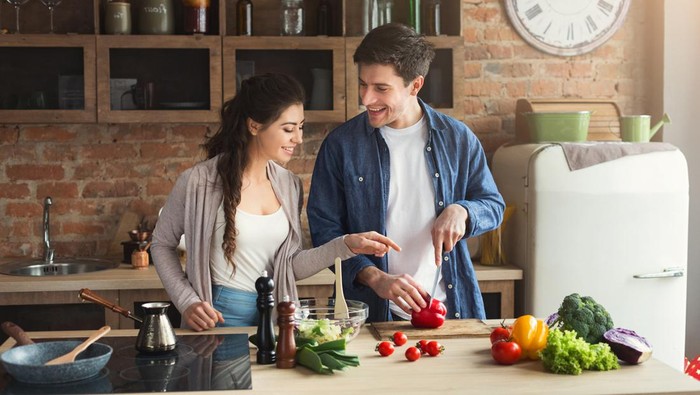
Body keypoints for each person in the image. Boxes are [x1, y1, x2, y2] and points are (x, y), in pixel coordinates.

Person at [151, 73, 400, 331]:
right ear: (255, 126)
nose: (298, 138)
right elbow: (161, 244)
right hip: (220, 317)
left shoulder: (289, 185)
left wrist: (346, 245)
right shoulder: (198, 182)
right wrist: (186, 301)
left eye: (300, 127)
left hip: (277, 316)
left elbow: (290, 266)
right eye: (288, 129)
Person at [307, 24, 505, 323]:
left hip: (449, 312)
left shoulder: (458, 139)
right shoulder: (341, 146)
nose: (366, 99)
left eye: (381, 89)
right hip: (371, 316)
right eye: (363, 84)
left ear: (415, 85)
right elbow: (325, 231)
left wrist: (462, 211)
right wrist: (374, 277)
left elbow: (493, 205)